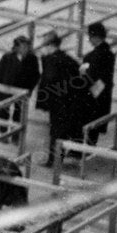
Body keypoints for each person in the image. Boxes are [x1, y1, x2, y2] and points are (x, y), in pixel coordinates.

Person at [34, 32, 79, 166]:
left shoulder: (54, 61)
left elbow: (49, 80)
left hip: (58, 103)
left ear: (50, 45)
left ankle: (53, 161)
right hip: (66, 102)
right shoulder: (65, 59)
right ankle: (56, 159)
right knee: (59, 131)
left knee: (56, 131)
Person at [0, 36, 41, 146]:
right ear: (16, 48)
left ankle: (15, 136)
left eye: (27, 47)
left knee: (18, 113)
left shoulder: (32, 59)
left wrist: (30, 89)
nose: (26, 49)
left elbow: (35, 75)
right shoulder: (7, 57)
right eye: (23, 47)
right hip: (6, 89)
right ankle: (3, 134)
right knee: (4, 112)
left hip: (21, 91)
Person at [79, 22, 116, 146]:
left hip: (95, 95)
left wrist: (84, 72)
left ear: (95, 37)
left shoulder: (97, 55)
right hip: (100, 94)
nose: (89, 40)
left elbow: (93, 76)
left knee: (89, 127)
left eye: (90, 37)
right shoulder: (106, 52)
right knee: (92, 130)